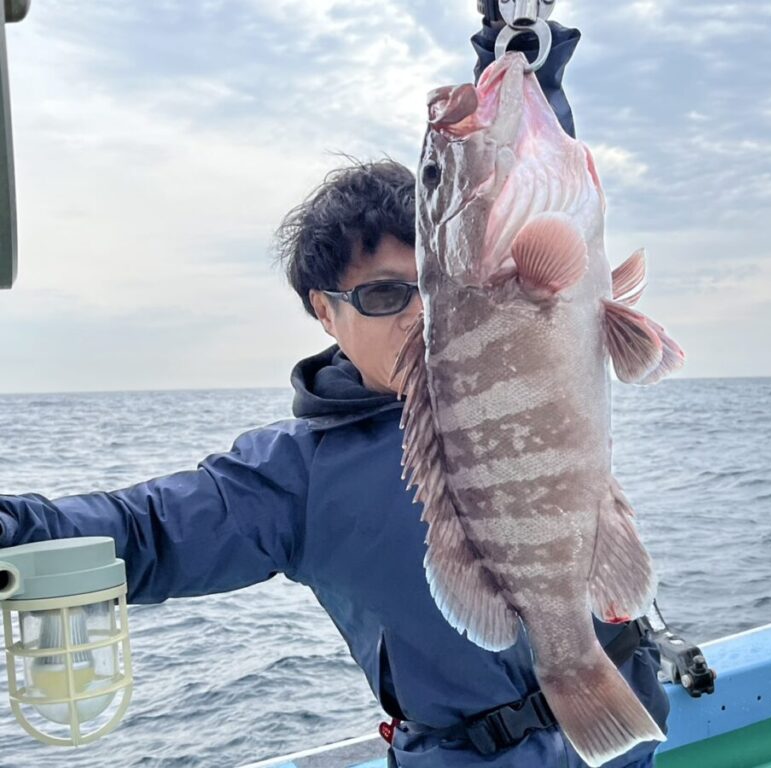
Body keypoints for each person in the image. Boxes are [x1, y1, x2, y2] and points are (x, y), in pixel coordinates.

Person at [0, 16, 669, 768]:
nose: (422, 313)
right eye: (384, 297)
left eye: (430, 287)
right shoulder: (293, 478)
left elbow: (524, 189)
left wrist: (517, 54)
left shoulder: (517, 316)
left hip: (625, 719)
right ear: (324, 312)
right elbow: (146, 529)